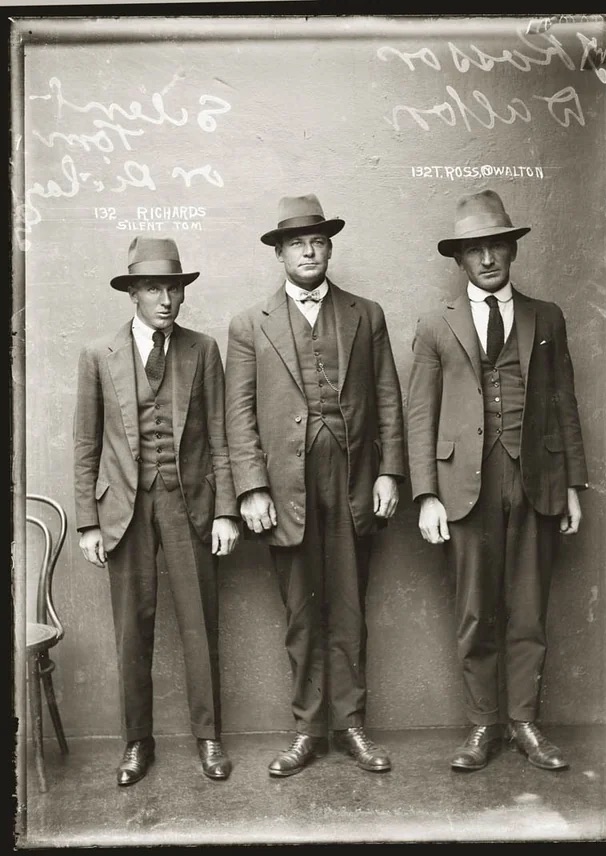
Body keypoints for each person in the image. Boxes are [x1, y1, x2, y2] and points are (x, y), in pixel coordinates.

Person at [407, 189, 588, 772]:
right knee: (474, 609)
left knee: (529, 608)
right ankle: (484, 724)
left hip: (537, 478)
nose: (487, 259)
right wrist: (426, 494)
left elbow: (564, 402)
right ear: (460, 259)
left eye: (497, 247)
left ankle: (525, 723)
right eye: (474, 250)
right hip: (464, 486)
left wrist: (573, 485)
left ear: (513, 251)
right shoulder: (435, 324)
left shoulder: (546, 316)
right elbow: (420, 414)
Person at [225, 193, 405, 777]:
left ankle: (351, 726)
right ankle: (307, 729)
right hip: (286, 489)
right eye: (297, 244)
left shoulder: (365, 313)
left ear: (329, 250)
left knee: (349, 608)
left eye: (319, 242)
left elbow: (388, 398)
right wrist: (251, 487)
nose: (309, 251)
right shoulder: (249, 324)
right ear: (279, 254)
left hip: (354, 481)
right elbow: (239, 414)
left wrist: (390, 471)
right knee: (302, 614)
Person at [74, 236, 240, 786]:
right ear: (133, 294)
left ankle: (209, 738)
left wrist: (226, 511)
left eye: (173, 288)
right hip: (123, 508)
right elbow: (86, 444)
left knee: (200, 625)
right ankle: (136, 742)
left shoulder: (202, 350)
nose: (166, 300)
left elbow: (220, 436)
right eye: (153, 289)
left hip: (189, 503)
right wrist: (88, 522)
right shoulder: (99, 355)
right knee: (132, 630)